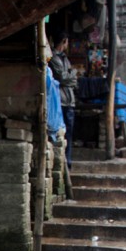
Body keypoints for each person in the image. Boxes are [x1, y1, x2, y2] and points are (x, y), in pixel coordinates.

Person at [49, 31, 78, 169]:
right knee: (60, 132)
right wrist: (73, 74)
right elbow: (63, 77)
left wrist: (70, 77)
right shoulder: (54, 58)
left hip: (69, 100)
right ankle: (61, 162)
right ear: (64, 41)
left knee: (69, 134)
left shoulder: (65, 59)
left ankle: (68, 161)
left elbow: (71, 80)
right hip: (60, 100)